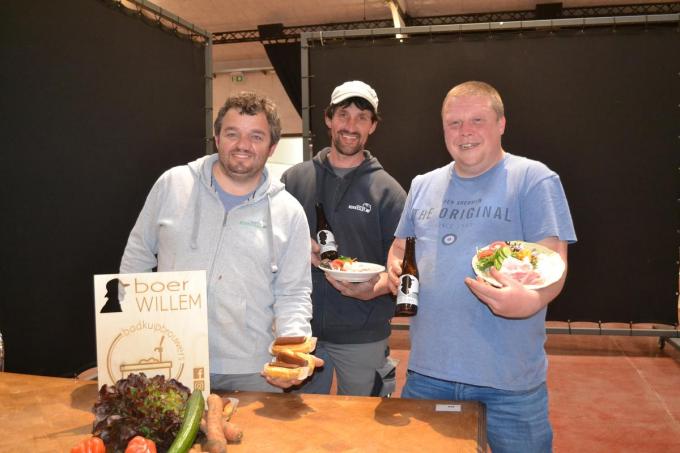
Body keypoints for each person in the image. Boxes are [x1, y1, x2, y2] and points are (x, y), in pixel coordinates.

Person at [387, 81, 576, 452]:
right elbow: (398, 247)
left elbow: (554, 265)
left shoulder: (533, 179)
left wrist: (531, 301)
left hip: (509, 384)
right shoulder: (423, 185)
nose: (465, 132)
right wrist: (394, 268)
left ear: (501, 124)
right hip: (428, 375)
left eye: (477, 120)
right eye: (454, 123)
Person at [120, 92, 320, 392]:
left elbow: (293, 294)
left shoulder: (288, 212)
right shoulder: (173, 184)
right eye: (232, 133)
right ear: (216, 138)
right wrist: (128, 333)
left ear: (272, 146)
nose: (242, 145)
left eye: (256, 136)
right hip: (170, 359)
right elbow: (136, 259)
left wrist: (290, 360)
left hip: (251, 371)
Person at [282, 80, 406, 396]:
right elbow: (271, 246)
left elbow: (404, 266)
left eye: (362, 117)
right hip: (302, 333)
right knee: (304, 433)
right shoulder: (294, 180)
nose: (351, 125)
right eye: (343, 114)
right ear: (328, 119)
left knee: (364, 433)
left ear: (373, 126)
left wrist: (376, 288)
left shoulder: (389, 192)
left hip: (364, 334)